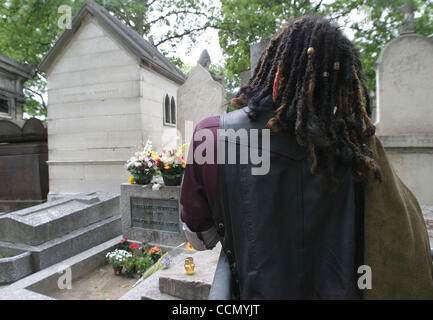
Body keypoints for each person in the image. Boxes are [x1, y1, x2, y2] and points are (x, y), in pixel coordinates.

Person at [180, 16, 433, 299]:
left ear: (275, 76)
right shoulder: (360, 148)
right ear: (342, 84)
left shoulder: (212, 136)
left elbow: (200, 238)